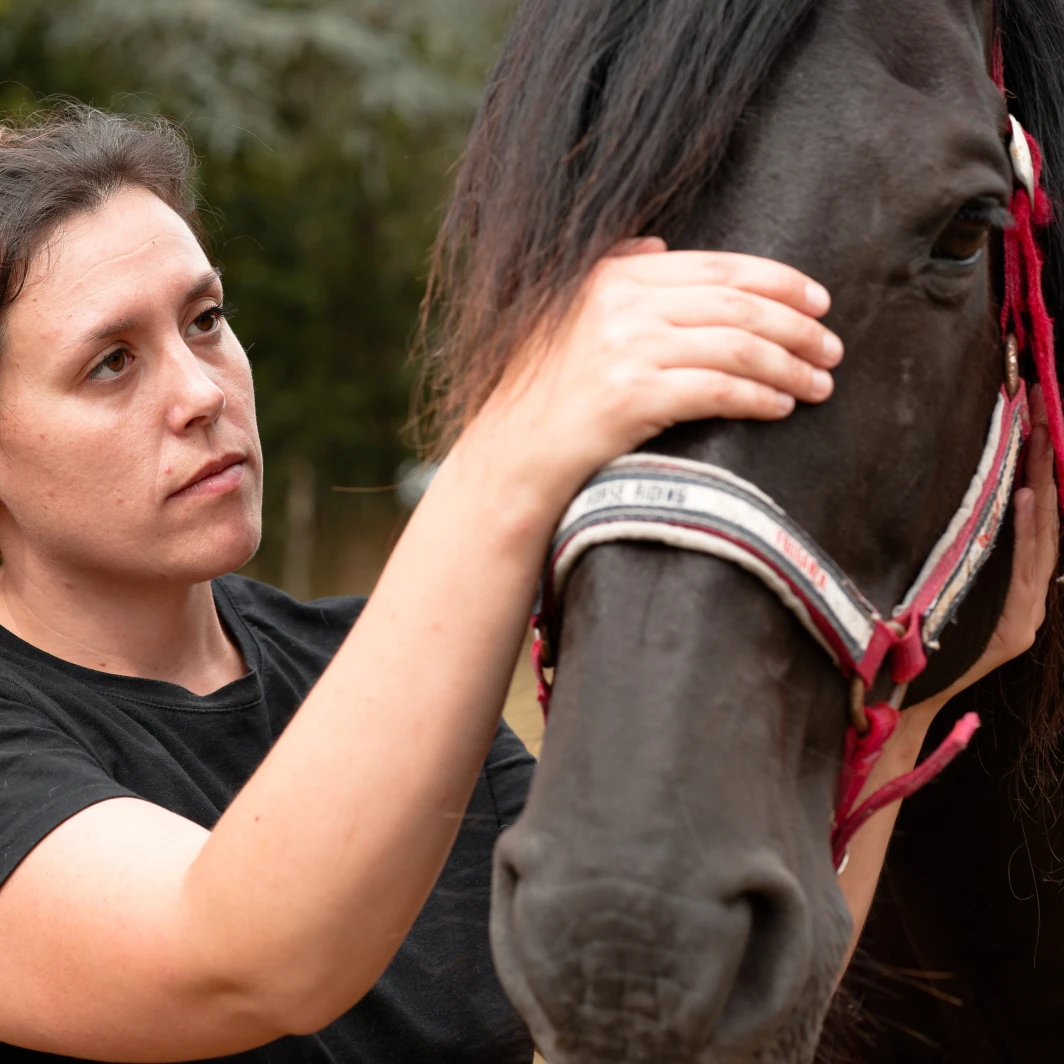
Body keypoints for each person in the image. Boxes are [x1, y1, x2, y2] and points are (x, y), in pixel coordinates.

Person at [0, 103, 1051, 1064]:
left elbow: (687, 1033)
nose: (201, 391)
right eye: (110, 362)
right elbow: (235, 961)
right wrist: (518, 441)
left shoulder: (364, 670)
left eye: (204, 320)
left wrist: (899, 712)